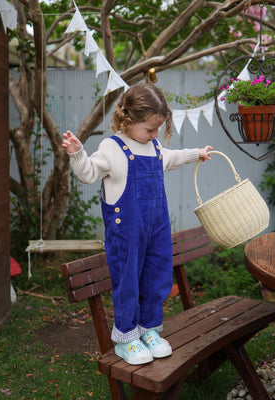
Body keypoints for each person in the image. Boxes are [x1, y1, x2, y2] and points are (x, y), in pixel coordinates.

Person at [62, 83, 212, 365]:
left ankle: (149, 330)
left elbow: (172, 157)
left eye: (158, 129)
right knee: (128, 281)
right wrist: (77, 153)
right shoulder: (112, 147)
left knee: (158, 278)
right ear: (128, 122)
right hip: (126, 234)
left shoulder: (153, 146)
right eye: (150, 129)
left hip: (156, 230)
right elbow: (89, 173)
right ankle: (127, 337)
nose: (155, 135)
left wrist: (196, 153)